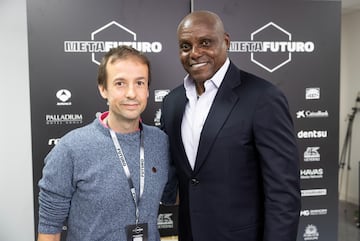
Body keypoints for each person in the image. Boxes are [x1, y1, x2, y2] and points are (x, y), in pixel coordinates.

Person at [160, 10, 301, 241]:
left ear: (225, 42)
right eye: (185, 46)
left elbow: (283, 192)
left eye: (205, 43)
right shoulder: (172, 102)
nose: (195, 53)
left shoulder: (262, 97)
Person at [37, 45, 169, 241]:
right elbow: (50, 231)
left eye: (140, 83)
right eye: (120, 83)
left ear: (148, 90)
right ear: (103, 89)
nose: (131, 93)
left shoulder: (161, 142)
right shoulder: (70, 148)